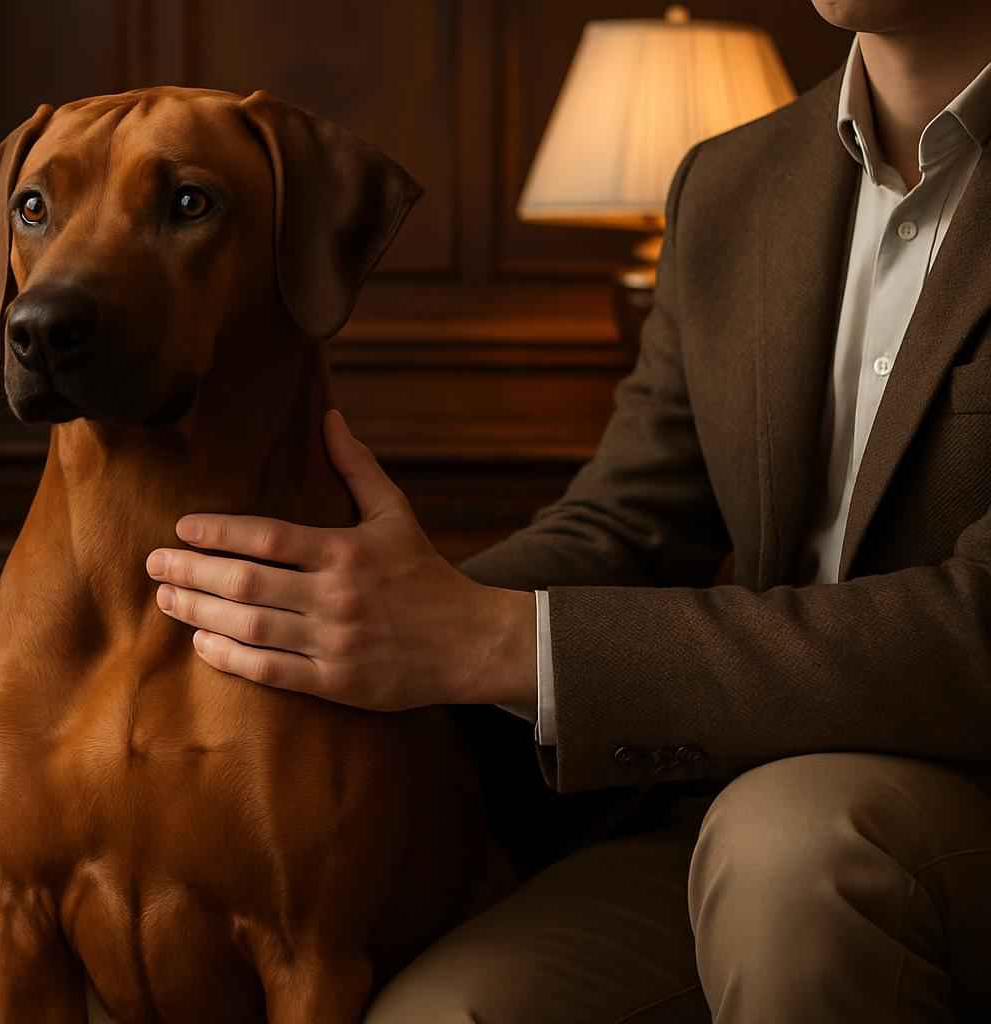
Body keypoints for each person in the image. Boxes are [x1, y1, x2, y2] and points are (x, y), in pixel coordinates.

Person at [142, 1, 991, 1019]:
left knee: (792, 843)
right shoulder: (730, 180)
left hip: (907, 814)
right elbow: (626, 524)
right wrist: (366, 617)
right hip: (714, 805)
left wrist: (510, 642)